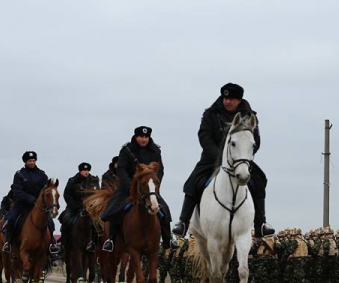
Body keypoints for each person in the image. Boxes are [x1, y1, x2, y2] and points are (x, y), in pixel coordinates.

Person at [172, 82, 273, 238]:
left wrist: (243, 155)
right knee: (193, 182)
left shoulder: (250, 116)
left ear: (239, 100)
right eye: (225, 98)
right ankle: (183, 222)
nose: (227, 101)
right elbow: (204, 136)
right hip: (211, 159)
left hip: (240, 160)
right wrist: (219, 156)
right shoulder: (210, 114)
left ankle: (261, 224)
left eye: (232, 99)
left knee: (259, 180)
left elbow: (256, 140)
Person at [100, 126, 172, 252]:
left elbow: (160, 170)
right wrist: (130, 187)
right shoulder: (126, 150)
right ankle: (111, 240)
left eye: (146, 137)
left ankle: (168, 239)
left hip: (148, 190)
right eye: (141, 137)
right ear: (136, 137)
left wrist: (154, 185)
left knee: (164, 211)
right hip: (128, 188)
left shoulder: (155, 150)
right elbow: (121, 170)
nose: (144, 139)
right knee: (114, 209)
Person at [2, 151, 58, 254]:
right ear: (25, 162)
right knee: (10, 220)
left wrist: (41, 200)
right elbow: (17, 191)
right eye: (30, 161)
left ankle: (51, 244)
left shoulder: (42, 174)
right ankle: (8, 243)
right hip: (22, 205)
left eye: (33, 160)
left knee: (50, 222)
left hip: (38, 206)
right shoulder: (19, 174)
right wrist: (31, 199)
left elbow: (45, 190)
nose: (32, 162)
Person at [60, 162, 100, 252]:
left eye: (87, 170)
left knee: (100, 223)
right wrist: (75, 206)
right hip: (74, 207)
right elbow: (66, 195)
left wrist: (93, 206)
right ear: (80, 171)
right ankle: (63, 245)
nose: (86, 172)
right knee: (66, 219)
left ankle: (97, 245)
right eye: (84, 170)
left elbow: (98, 194)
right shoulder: (72, 180)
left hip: (90, 208)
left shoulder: (94, 180)